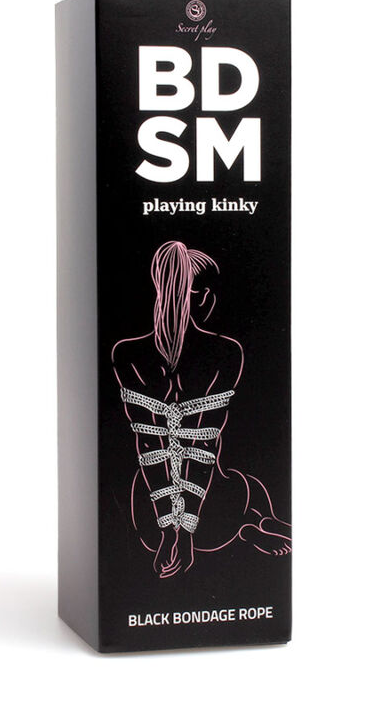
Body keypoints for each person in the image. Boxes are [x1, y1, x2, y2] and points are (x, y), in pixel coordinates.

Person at [112, 240, 291, 579]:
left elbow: (149, 445)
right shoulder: (226, 352)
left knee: (154, 526)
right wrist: (187, 529)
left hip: (147, 504)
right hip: (213, 502)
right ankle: (252, 526)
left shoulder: (126, 353)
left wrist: (168, 530)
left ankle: (253, 527)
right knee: (241, 485)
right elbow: (203, 446)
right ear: (203, 296)